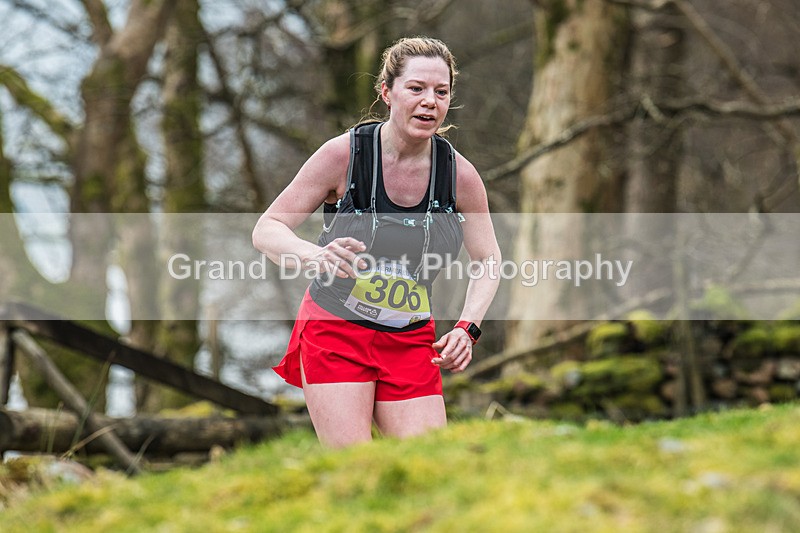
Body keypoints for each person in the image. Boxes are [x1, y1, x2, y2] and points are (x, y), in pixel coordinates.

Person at [252, 36, 500, 448]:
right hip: (336, 330)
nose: (429, 102)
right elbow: (268, 227)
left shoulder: (460, 175)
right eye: (416, 88)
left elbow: (488, 258)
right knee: (355, 467)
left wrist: (466, 328)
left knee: (429, 466)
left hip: (409, 339)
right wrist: (314, 255)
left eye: (441, 92)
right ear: (387, 92)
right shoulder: (343, 156)